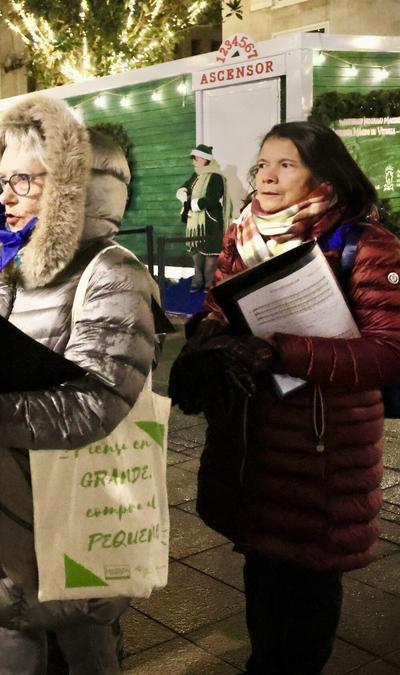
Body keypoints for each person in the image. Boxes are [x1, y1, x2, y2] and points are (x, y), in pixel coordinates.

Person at [0, 98, 158, 674]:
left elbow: (98, 401)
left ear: (74, 186)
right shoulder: (12, 265)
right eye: (2, 181)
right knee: (18, 623)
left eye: (24, 181)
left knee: (82, 635)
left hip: (69, 495)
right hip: (5, 488)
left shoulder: (112, 270)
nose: (5, 197)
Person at [168, 121, 400, 675]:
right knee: (263, 572)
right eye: (263, 164)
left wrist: (284, 351)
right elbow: (220, 305)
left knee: (308, 586)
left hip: (321, 451)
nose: (268, 176)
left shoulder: (366, 244)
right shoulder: (243, 233)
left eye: (286, 165)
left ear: (323, 174)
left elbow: (389, 353)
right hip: (253, 441)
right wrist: (208, 332)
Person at [176, 143, 230, 290]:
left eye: (196, 158)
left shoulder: (216, 176)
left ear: (205, 159)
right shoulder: (196, 175)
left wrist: (194, 204)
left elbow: (212, 198)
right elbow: (185, 187)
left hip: (210, 220)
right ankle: (197, 280)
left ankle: (209, 284)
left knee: (210, 253)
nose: (193, 161)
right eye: (193, 158)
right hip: (194, 221)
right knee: (196, 251)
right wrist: (182, 192)